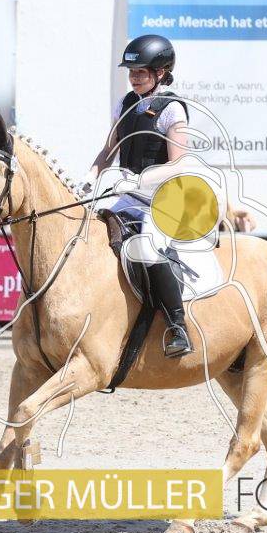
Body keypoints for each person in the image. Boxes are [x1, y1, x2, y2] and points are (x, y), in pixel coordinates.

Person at [80, 34, 193, 358]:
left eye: (141, 72)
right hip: (128, 195)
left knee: (147, 247)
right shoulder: (126, 104)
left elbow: (179, 164)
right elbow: (109, 150)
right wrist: (91, 175)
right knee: (92, 233)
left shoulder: (172, 109)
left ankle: (177, 327)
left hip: (164, 197)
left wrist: (140, 180)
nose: (134, 78)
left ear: (161, 72)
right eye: (131, 72)